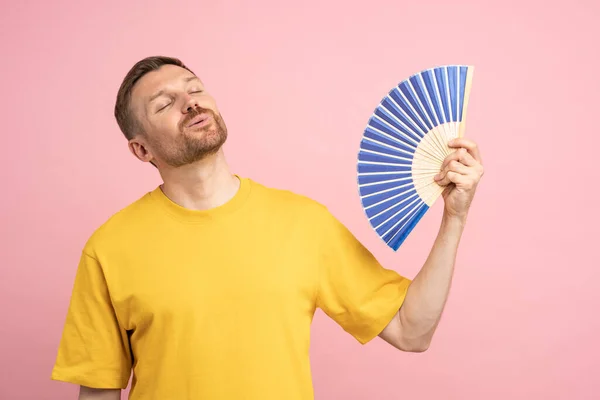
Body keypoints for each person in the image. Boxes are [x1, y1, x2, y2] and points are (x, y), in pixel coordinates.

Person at [51, 56, 484, 400]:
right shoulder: (108, 248)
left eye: (195, 89)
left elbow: (412, 330)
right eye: (164, 104)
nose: (190, 103)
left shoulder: (303, 223)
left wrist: (454, 217)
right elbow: (98, 391)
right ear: (141, 148)